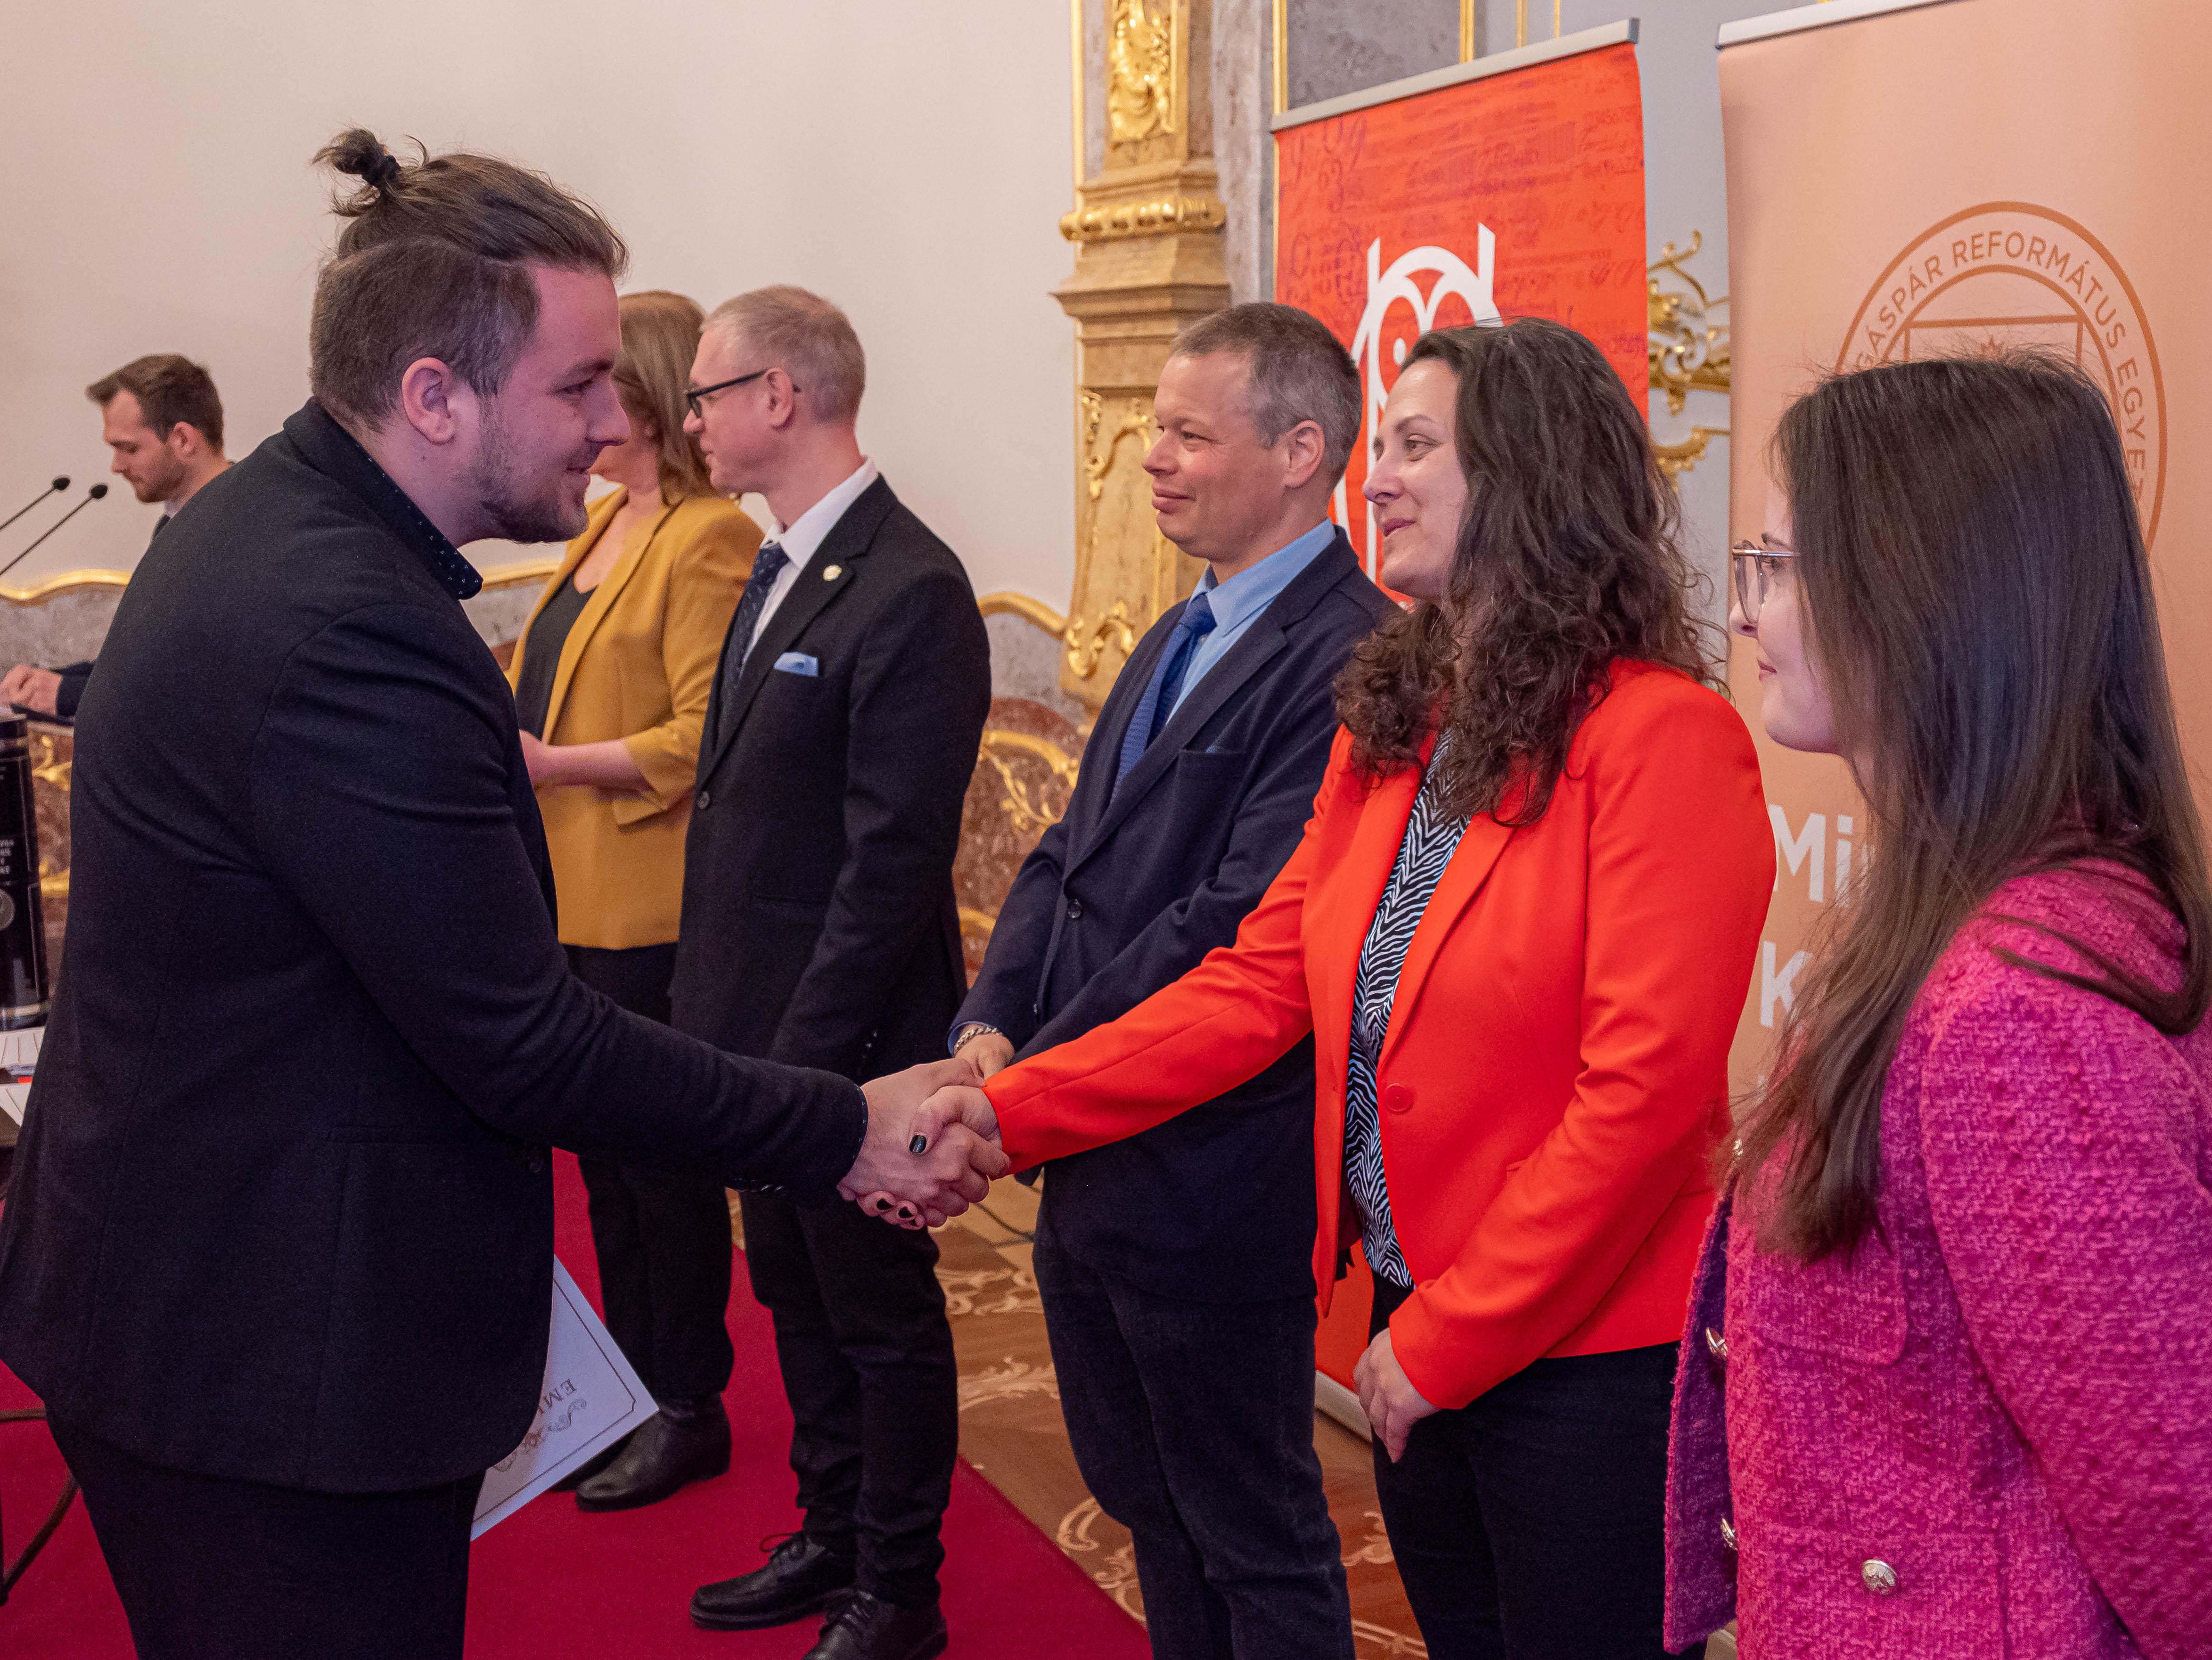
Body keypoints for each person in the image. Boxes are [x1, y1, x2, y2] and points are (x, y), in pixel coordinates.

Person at [0, 131, 1001, 1660]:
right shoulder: (346, 619)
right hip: (265, 1354)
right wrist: (842, 1123)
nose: (613, 420)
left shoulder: (282, 532)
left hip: (216, 1306)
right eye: (580, 383)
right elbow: (520, 1040)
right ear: (434, 395)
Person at [883, 317, 1771, 1660]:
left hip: (1580, 1355)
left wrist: (1448, 1339)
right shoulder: (1402, 721)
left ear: (1529, 475)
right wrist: (1011, 1111)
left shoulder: (1662, 737)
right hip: (1412, 1312)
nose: (1380, 477)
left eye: (1416, 446)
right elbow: (1255, 983)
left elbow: (1641, 1099)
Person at [1664, 352, 2212, 1657]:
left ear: (1922, 593)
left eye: (1779, 566)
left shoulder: (2015, 1018)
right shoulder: (1968, 919)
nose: (1748, 614)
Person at [948, 301, 1391, 1660]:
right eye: (1156, 428)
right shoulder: (1182, 621)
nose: (1152, 457)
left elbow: (1230, 925)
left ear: (1301, 452)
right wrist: (990, 1021)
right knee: (1151, 1508)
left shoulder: (1354, 652)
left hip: (1212, 1177)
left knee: (1251, 1532)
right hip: (1092, 1149)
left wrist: (1029, 1073)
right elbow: (1066, 855)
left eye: (1190, 435)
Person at [669, 286, 991, 1660]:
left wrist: (803, 1069)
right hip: (765, 1041)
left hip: (851, 1050)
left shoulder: (910, 586)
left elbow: (889, 865)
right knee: (794, 1297)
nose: (689, 419)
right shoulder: (780, 562)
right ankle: (832, 1529)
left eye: (705, 394)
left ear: (779, 394)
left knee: (877, 1313)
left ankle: (899, 1588)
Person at [506, 289, 762, 1512]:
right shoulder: (607, 519)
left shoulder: (708, 536)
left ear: (646, 398)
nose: (585, 407)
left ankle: (689, 1403)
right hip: (567, 895)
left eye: (597, 382)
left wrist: (552, 765)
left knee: (661, 1172)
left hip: (648, 906)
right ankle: (628, 1391)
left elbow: (702, 736)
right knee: (603, 1169)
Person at [0, 354, 231, 717]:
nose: (117, 466)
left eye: (129, 448)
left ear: (183, 439)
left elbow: (204, 678)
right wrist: (49, 682)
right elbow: (141, 662)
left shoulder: (242, 526)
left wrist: (68, 694)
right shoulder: (175, 521)